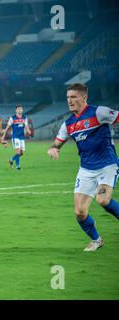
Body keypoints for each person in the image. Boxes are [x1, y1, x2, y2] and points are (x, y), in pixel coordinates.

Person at [47, 83, 119, 251]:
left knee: (102, 199)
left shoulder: (98, 112)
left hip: (107, 165)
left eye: (73, 97)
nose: (70, 101)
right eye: (67, 98)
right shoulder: (68, 124)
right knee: (79, 212)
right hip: (86, 170)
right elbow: (56, 144)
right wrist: (53, 149)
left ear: (84, 97)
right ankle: (96, 240)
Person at [1, 105, 31, 170]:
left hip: (22, 137)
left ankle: (11, 159)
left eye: (21, 109)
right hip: (15, 137)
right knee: (18, 152)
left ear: (22, 110)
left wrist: (28, 131)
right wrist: (3, 135)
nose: (20, 110)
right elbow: (7, 127)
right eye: (18, 109)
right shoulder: (12, 118)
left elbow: (26, 126)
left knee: (21, 153)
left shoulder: (24, 118)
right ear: (16, 110)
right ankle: (17, 166)